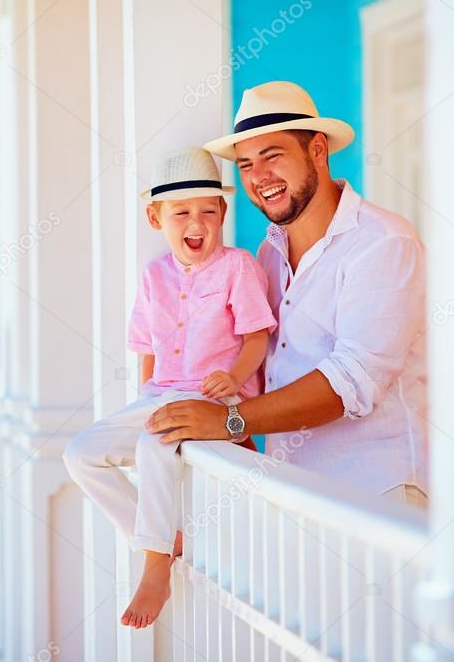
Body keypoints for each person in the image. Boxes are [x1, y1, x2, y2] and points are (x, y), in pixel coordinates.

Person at [146, 81, 429, 510]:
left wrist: (229, 420)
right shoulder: (268, 253)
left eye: (272, 156)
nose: (259, 177)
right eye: (245, 165)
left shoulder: (383, 241)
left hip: (378, 497)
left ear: (317, 150)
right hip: (293, 489)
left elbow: (351, 380)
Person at [63, 146, 277, 629]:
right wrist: (144, 399)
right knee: (80, 454)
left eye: (207, 210)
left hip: (213, 395)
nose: (195, 222)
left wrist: (236, 379)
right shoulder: (153, 276)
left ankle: (155, 566)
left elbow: (258, 336)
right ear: (155, 218)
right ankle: (163, 537)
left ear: (222, 212)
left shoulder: (237, 267)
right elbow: (147, 349)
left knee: (153, 443)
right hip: (161, 392)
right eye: (180, 212)